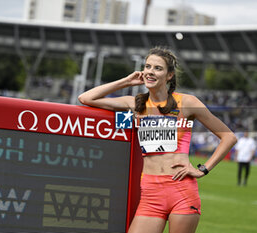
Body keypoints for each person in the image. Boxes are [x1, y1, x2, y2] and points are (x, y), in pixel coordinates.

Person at [78, 47, 237, 233]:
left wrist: (203, 169)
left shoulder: (187, 103)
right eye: (147, 66)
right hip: (150, 192)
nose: (150, 71)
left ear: (169, 75)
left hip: (181, 190)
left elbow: (228, 137)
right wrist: (126, 81)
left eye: (157, 68)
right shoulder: (135, 104)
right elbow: (86, 98)